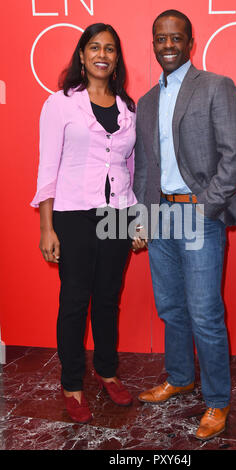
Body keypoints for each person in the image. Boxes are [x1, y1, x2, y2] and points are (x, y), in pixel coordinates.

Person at [132, 10, 236, 440]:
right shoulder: (145, 102)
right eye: (160, 38)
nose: (168, 45)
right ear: (153, 43)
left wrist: (205, 207)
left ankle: (217, 401)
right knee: (171, 308)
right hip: (160, 216)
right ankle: (180, 376)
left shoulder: (216, 87)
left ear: (190, 41)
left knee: (204, 313)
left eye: (175, 38)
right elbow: (144, 168)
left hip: (197, 214)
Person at [31, 23, 137, 423]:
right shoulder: (59, 104)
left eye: (110, 48)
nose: (102, 54)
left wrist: (137, 220)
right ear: (82, 55)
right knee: (75, 302)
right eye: (95, 47)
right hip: (73, 215)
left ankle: (106, 371)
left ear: (116, 59)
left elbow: (130, 167)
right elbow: (47, 166)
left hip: (118, 216)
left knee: (108, 299)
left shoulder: (127, 108)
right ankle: (72, 383)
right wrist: (46, 226)